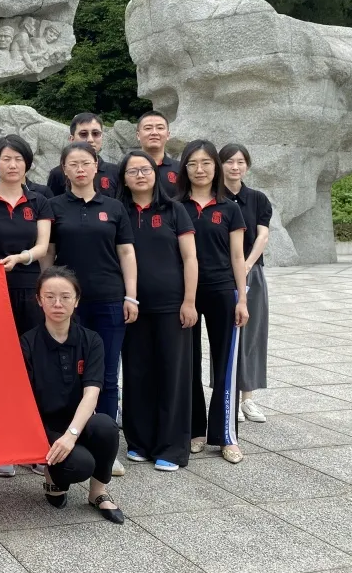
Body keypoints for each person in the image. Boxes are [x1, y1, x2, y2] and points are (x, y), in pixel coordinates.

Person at [45, 142, 136, 476]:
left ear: (97, 166)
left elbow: (126, 253)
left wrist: (131, 296)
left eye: (86, 163)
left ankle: (106, 447)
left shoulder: (113, 207)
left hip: (109, 298)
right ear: (64, 170)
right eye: (73, 164)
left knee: (108, 374)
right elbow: (48, 253)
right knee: (68, 374)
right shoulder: (54, 206)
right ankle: (67, 439)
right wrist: (49, 295)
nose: (80, 169)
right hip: (67, 305)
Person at [0, 134, 53, 478]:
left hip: (30, 287)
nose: (12, 164)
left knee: (33, 362)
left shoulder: (39, 201)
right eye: (6, 158)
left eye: (18, 158)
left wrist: (22, 257)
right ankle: (1, 444)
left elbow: (44, 246)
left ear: (27, 163)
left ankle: (32, 443)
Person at [21, 267, 124, 523]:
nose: (58, 303)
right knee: (80, 465)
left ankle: (98, 492)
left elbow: (92, 394)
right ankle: (53, 478)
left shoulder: (91, 340)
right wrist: (57, 438)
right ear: (39, 300)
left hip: (78, 422)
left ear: (76, 300)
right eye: (50, 297)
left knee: (106, 426)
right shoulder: (27, 343)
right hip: (44, 427)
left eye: (65, 297)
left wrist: (72, 435)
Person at [118, 150, 198, 471]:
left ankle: (172, 447)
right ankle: (139, 442)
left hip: (171, 305)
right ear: (123, 178)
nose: (140, 175)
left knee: (172, 374)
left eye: (146, 169)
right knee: (137, 372)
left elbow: (190, 258)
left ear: (156, 174)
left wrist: (189, 301)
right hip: (132, 306)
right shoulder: (118, 211)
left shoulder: (174, 210)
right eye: (132, 171)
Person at [177, 140, 249, 464]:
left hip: (223, 291)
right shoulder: (176, 206)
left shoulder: (229, 208)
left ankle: (225, 435)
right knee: (188, 362)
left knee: (225, 364)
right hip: (185, 295)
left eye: (206, 163)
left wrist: (242, 298)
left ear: (215, 168)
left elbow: (238, 257)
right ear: (185, 168)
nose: (200, 169)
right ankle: (196, 430)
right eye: (193, 163)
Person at [220, 143, 272, 425]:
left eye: (240, 162)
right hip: (221, 274)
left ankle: (247, 398)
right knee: (225, 335)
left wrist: (247, 265)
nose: (235, 167)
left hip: (252, 271)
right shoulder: (215, 199)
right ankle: (227, 396)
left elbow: (262, 236)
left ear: (247, 166)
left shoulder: (258, 199)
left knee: (251, 334)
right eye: (229, 161)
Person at [46, 113, 119, 198]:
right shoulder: (58, 173)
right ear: (72, 139)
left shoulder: (115, 171)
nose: (90, 139)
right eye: (83, 134)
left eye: (95, 133)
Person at [136, 111, 181, 197]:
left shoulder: (180, 169)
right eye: (148, 128)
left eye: (160, 128)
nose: (154, 133)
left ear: (168, 135)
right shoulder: (127, 168)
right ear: (138, 135)